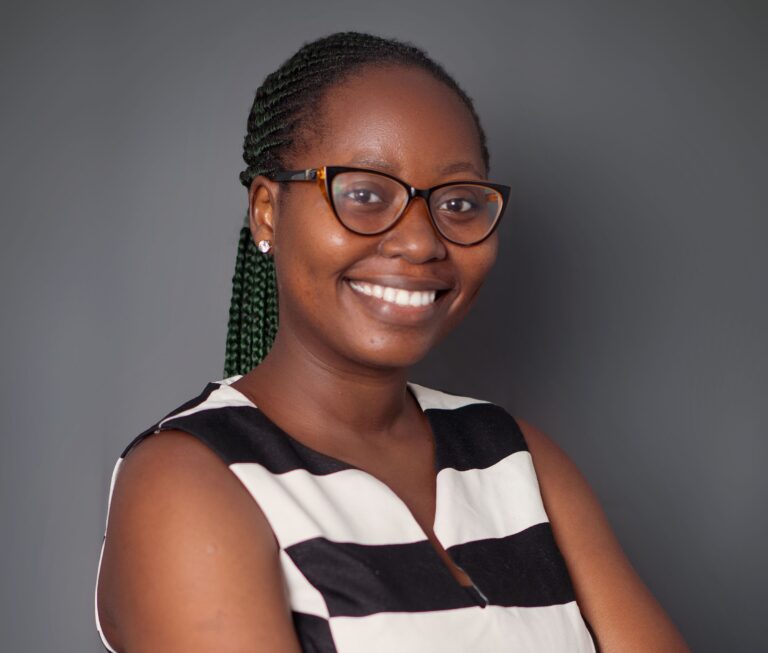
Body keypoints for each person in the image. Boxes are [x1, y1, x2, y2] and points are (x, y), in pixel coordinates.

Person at [94, 31, 690, 652]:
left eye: (458, 202)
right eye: (366, 194)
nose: (421, 241)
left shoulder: (516, 460)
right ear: (268, 211)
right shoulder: (193, 478)